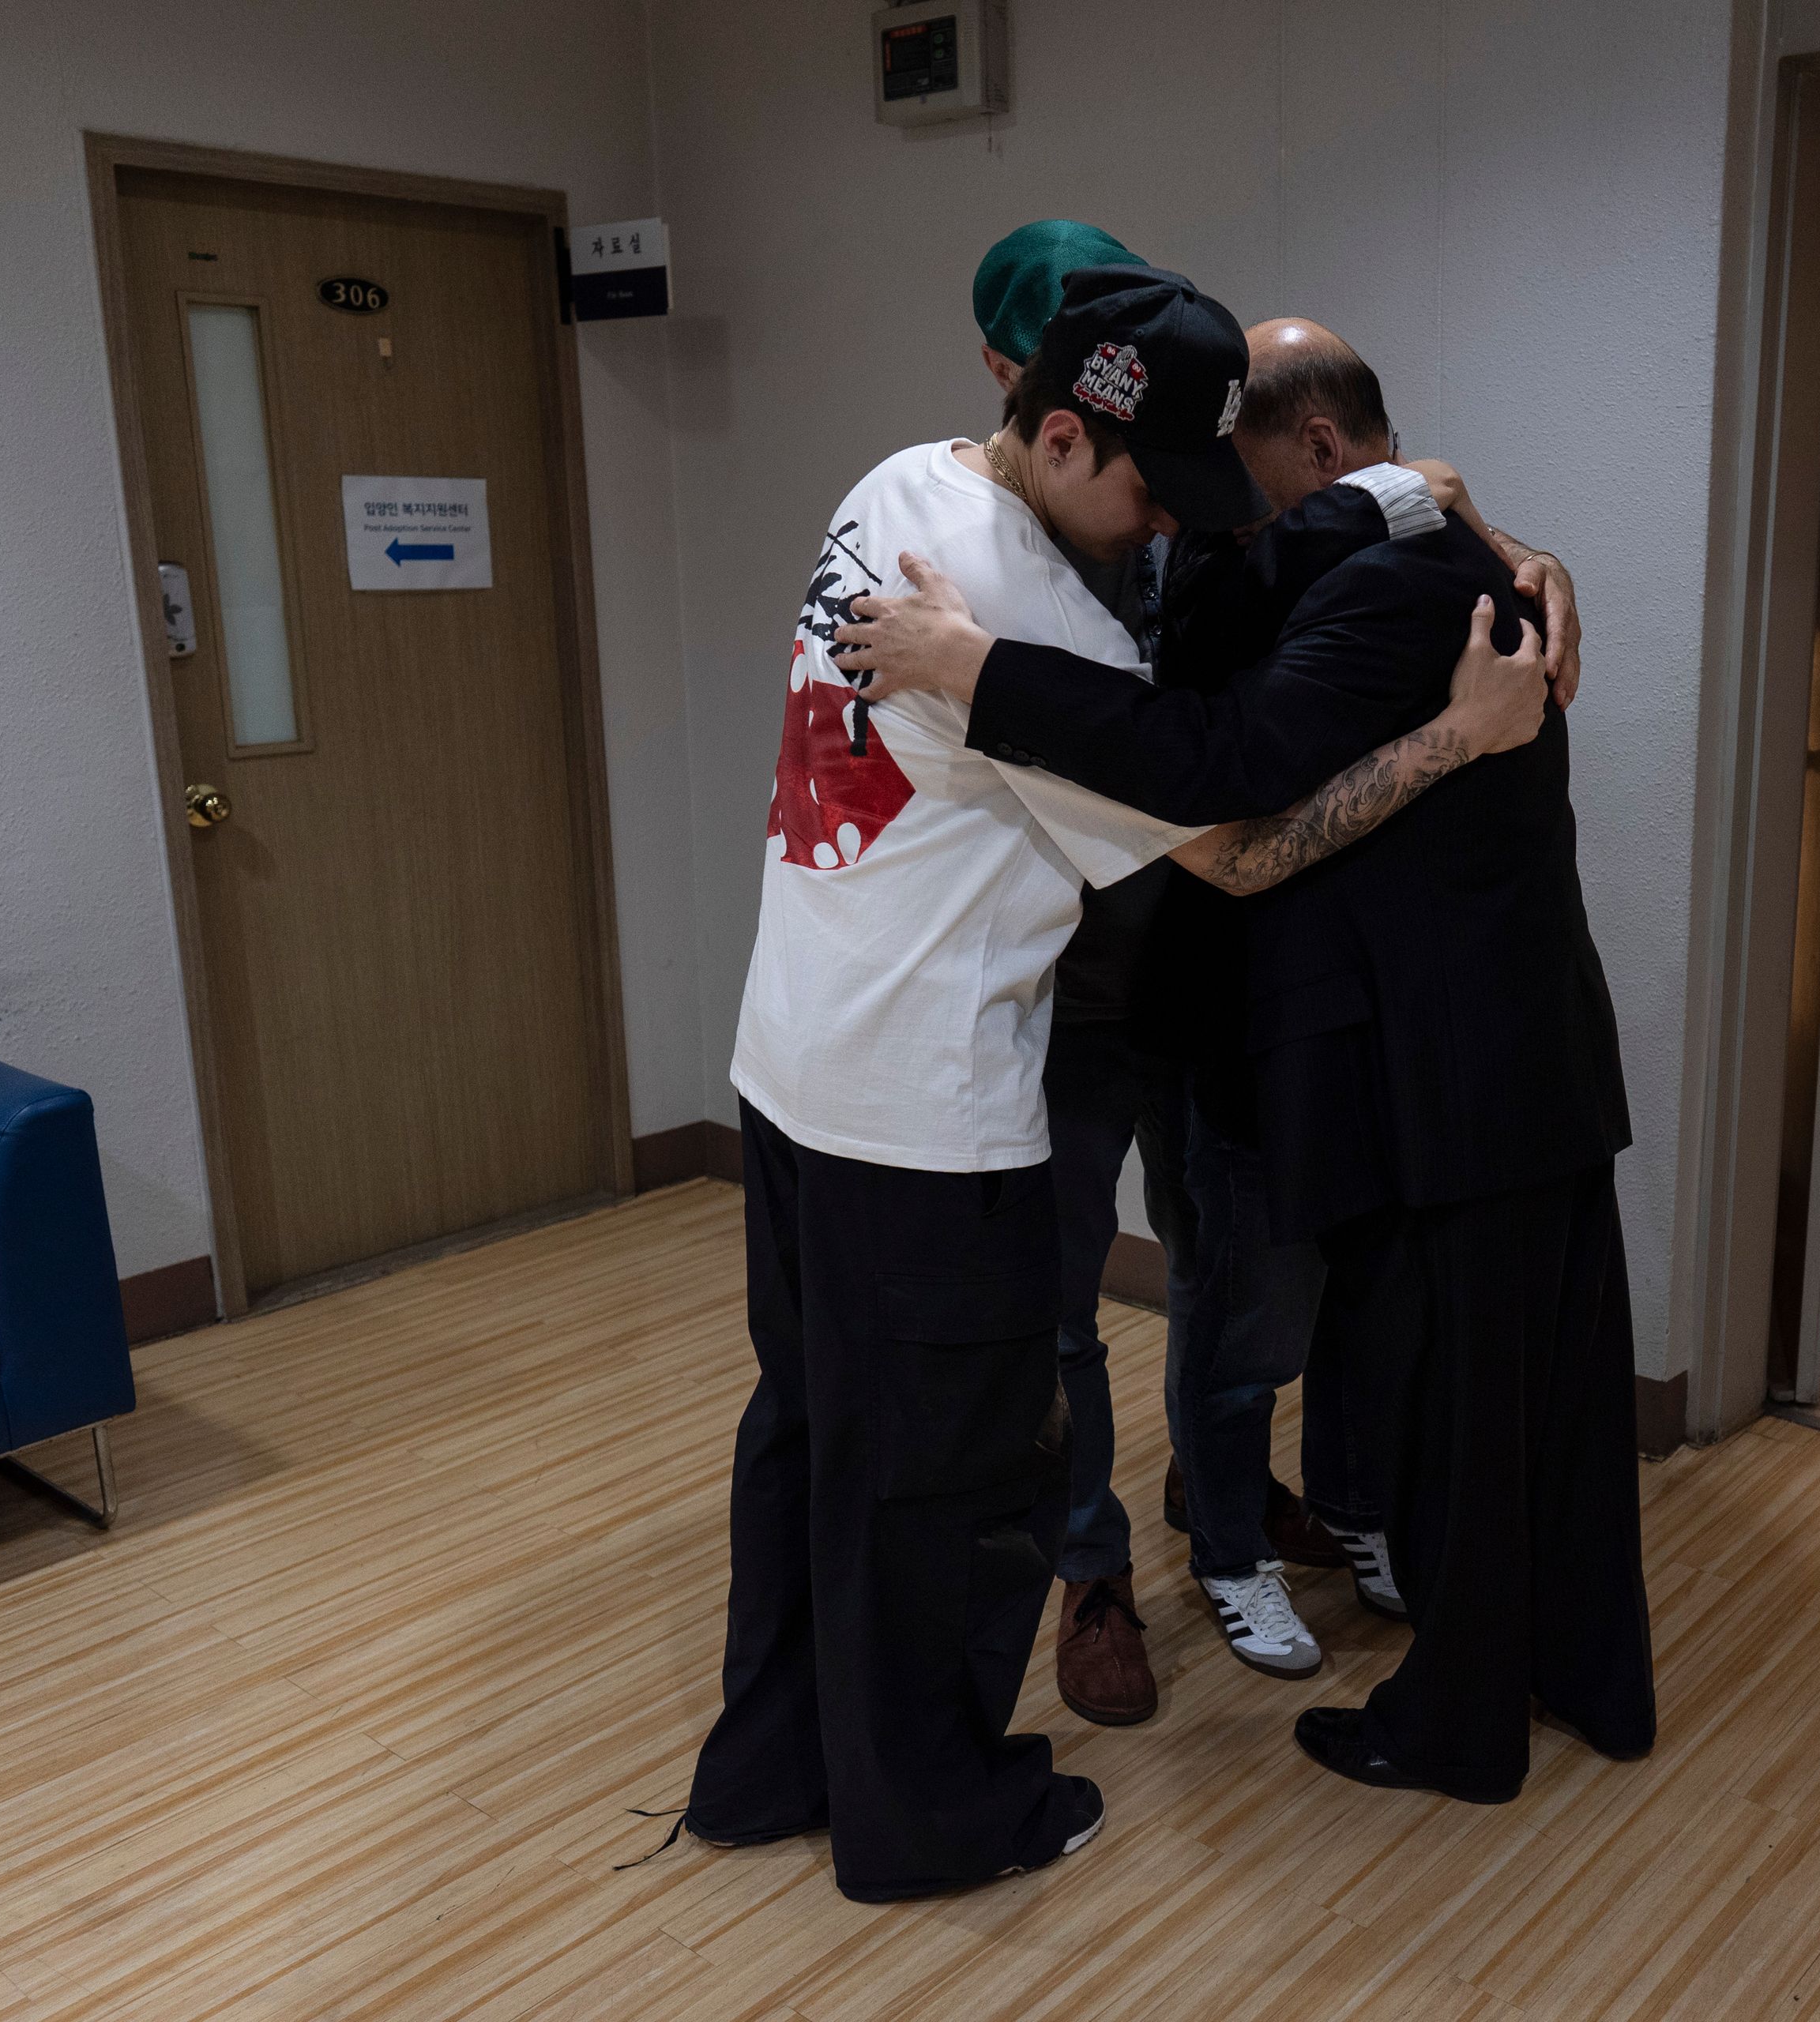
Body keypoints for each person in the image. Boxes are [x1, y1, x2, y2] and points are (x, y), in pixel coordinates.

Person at [679, 269, 1547, 1900]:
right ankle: (932, 1814)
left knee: (809, 1438)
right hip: (925, 1123)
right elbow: (1237, 842)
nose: (1165, 531)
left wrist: (1406, 496)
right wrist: (1458, 738)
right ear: (1067, 429)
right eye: (1151, 489)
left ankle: (770, 1763)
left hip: (787, 1075)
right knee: (945, 1484)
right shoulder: (1040, 630)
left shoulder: (900, 483)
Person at [833, 317, 1654, 1808]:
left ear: (1320, 450)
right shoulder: (1391, 545)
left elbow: (1214, 756)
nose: (1211, 515)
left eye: (1249, 479)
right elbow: (1238, 620)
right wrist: (1414, 499)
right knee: (1537, 1395)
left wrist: (970, 666)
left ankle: (1459, 1720)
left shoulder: (1398, 581)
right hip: (1484, 1059)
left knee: (1457, 1402)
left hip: (1452, 1077)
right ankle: (1583, 1669)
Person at [966, 223, 1589, 1722]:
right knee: (1059, 1296)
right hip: (1055, 977)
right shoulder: (983, 542)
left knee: (1245, 1288)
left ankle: (1220, 1496)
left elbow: (1351, 514)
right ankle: (1092, 1569)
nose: (1157, 486)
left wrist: (1487, 530)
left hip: (1214, 984)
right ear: (1021, 390)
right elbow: (1233, 811)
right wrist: (1458, 725)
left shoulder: (1209, 504)